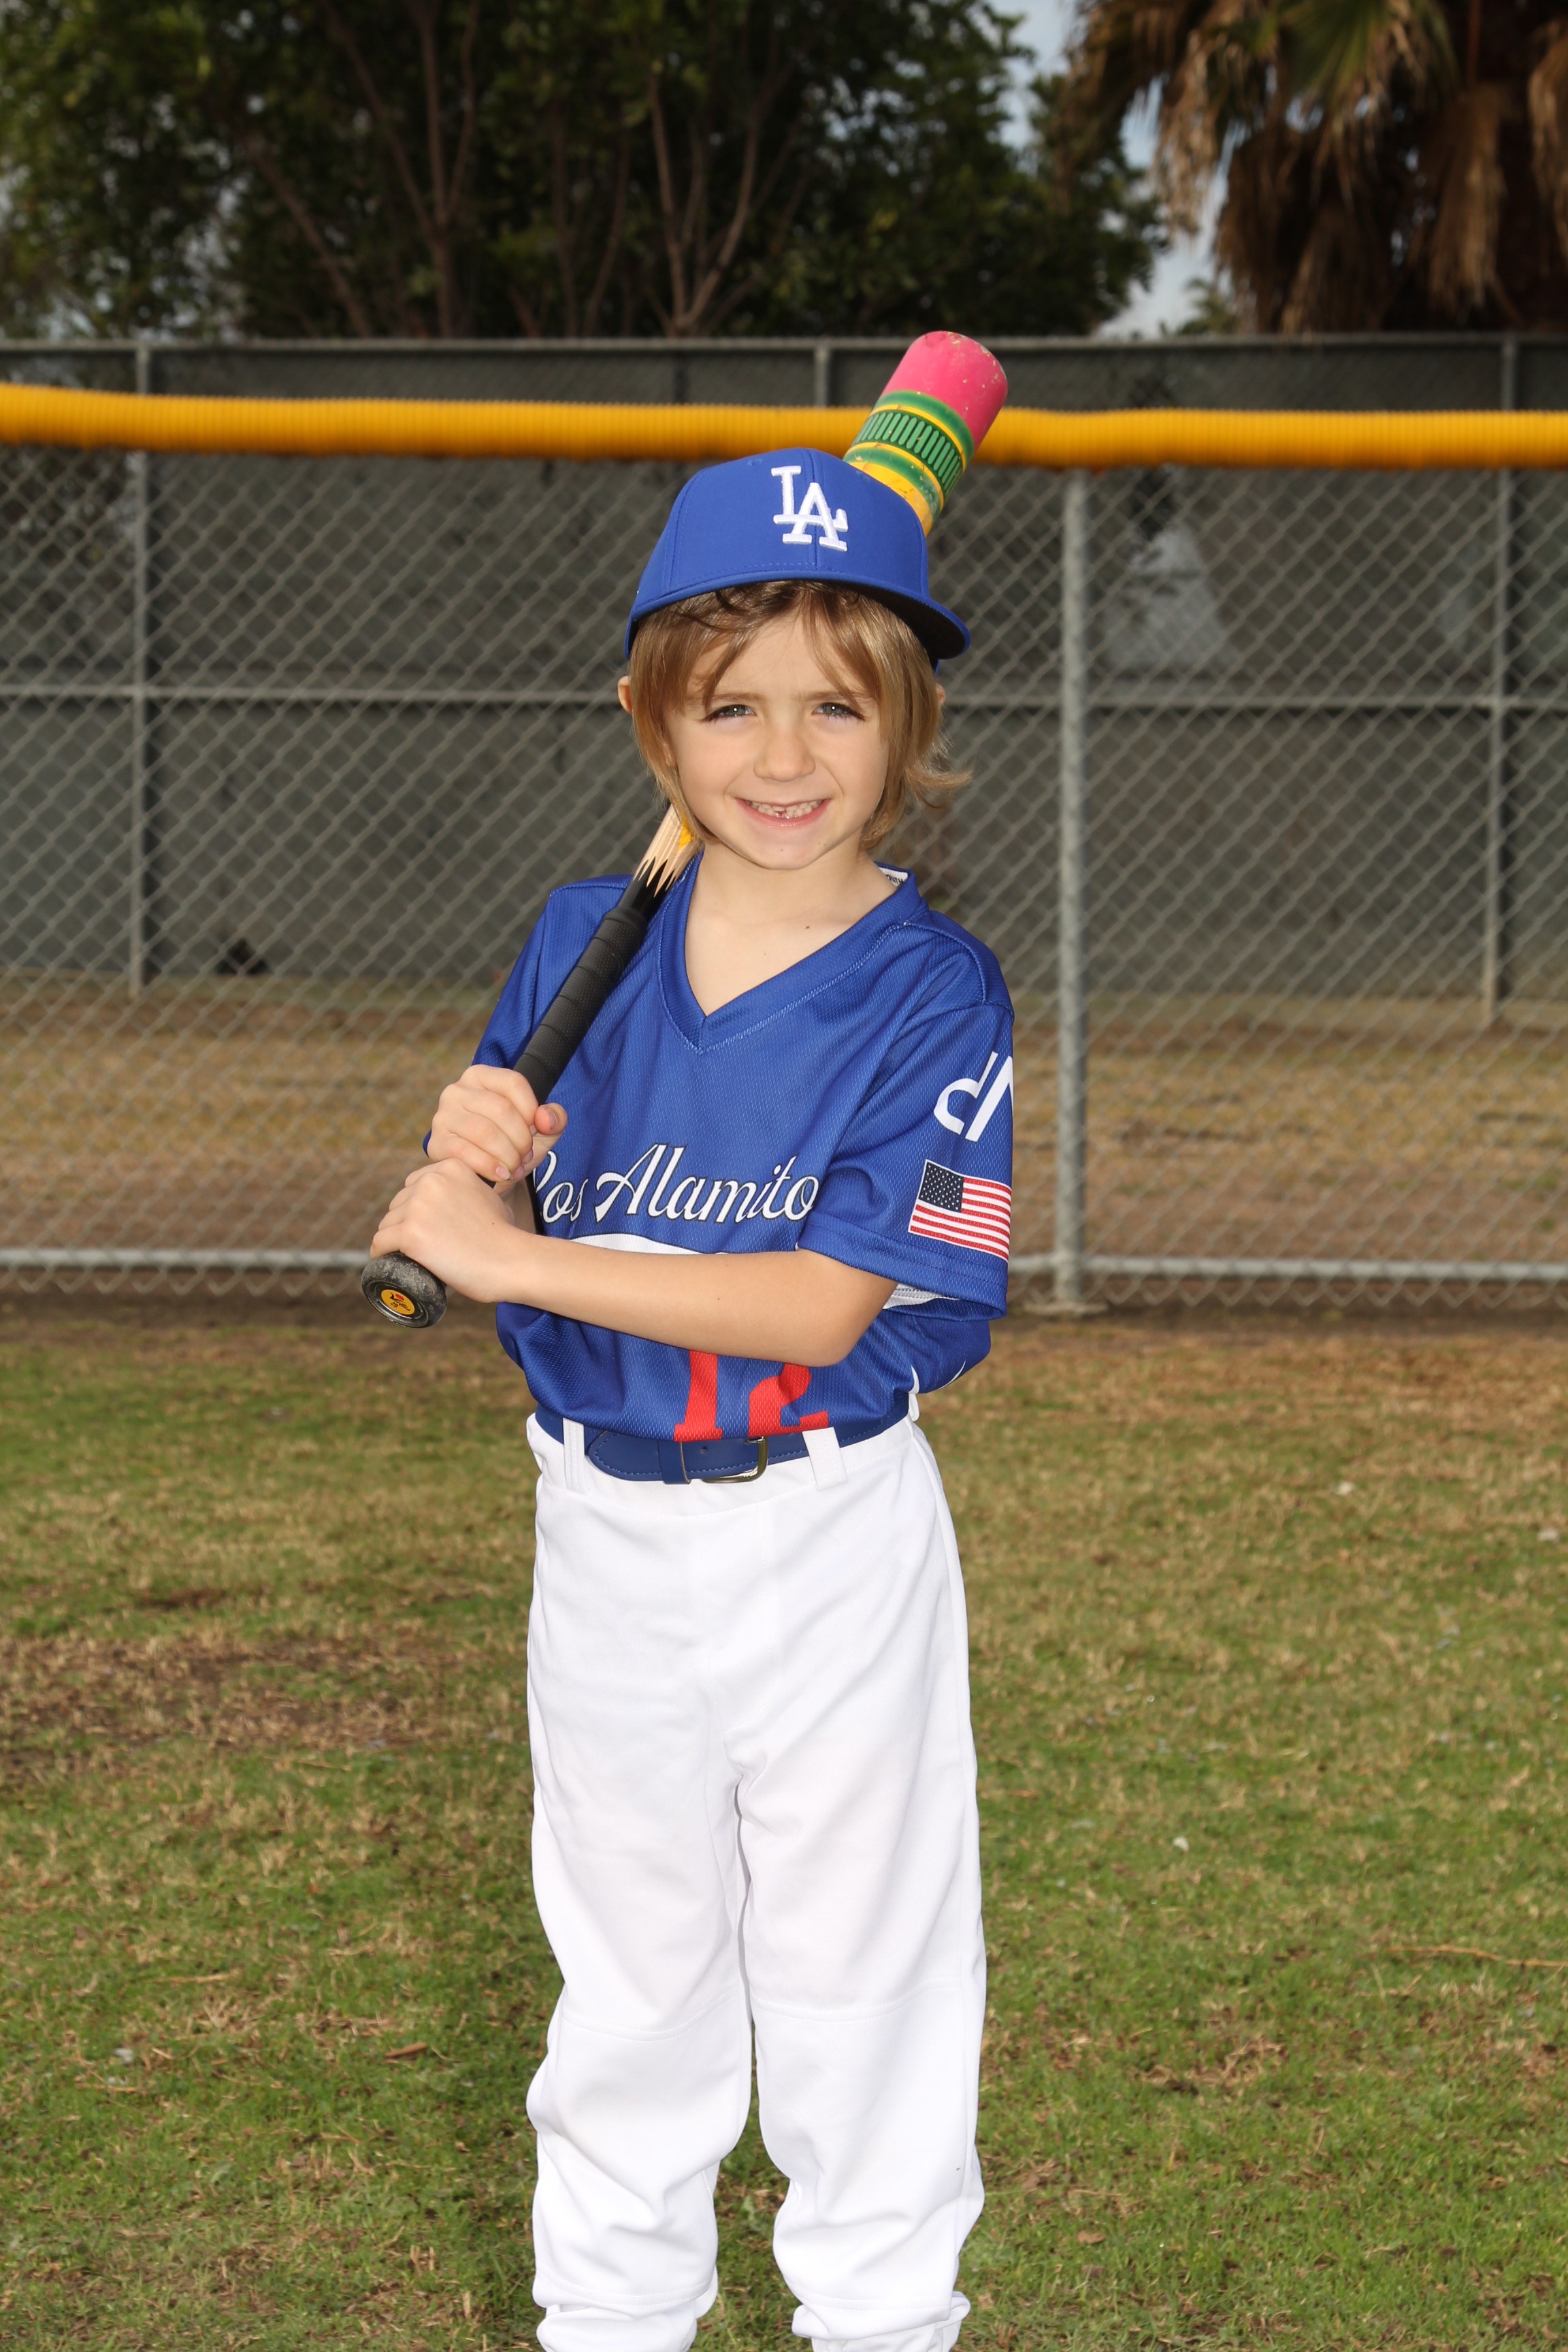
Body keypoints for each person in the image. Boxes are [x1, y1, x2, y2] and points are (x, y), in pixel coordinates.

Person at [370, 448, 1015, 2352]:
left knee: (857, 1984)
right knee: (632, 1984)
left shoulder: (933, 988)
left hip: (825, 1532)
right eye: (731, 706)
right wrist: (479, 1156)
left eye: (840, 705)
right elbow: (497, 1189)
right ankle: (608, 2323)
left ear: (907, 730)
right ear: (656, 723)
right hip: (602, 1528)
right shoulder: (587, 937)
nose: (785, 754)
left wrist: (514, 1259)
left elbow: (820, 1306)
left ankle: (879, 2325)